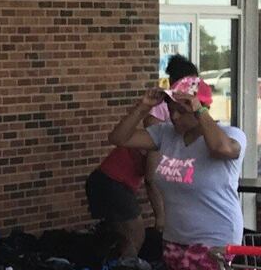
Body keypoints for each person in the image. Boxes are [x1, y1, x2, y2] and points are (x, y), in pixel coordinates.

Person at [108, 74, 245, 270]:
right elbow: (119, 138)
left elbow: (221, 149)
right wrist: (143, 107)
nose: (174, 117)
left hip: (214, 240)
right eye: (171, 110)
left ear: (201, 108)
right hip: (176, 238)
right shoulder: (166, 134)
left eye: (182, 111)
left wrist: (200, 111)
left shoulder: (230, 134)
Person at [83, 57, 194, 259]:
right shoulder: (159, 132)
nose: (176, 117)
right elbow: (151, 178)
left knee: (119, 237)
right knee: (135, 234)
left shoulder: (177, 133)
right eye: (173, 112)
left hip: (111, 182)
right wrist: (160, 218)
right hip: (111, 183)